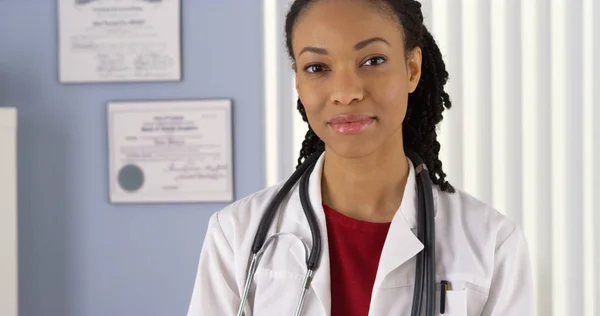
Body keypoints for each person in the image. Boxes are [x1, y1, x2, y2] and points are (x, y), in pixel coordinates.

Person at [186, 0, 534, 315]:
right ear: (297, 81)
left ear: (412, 68)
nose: (346, 92)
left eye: (373, 61)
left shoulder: (492, 243)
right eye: (317, 68)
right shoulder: (236, 234)